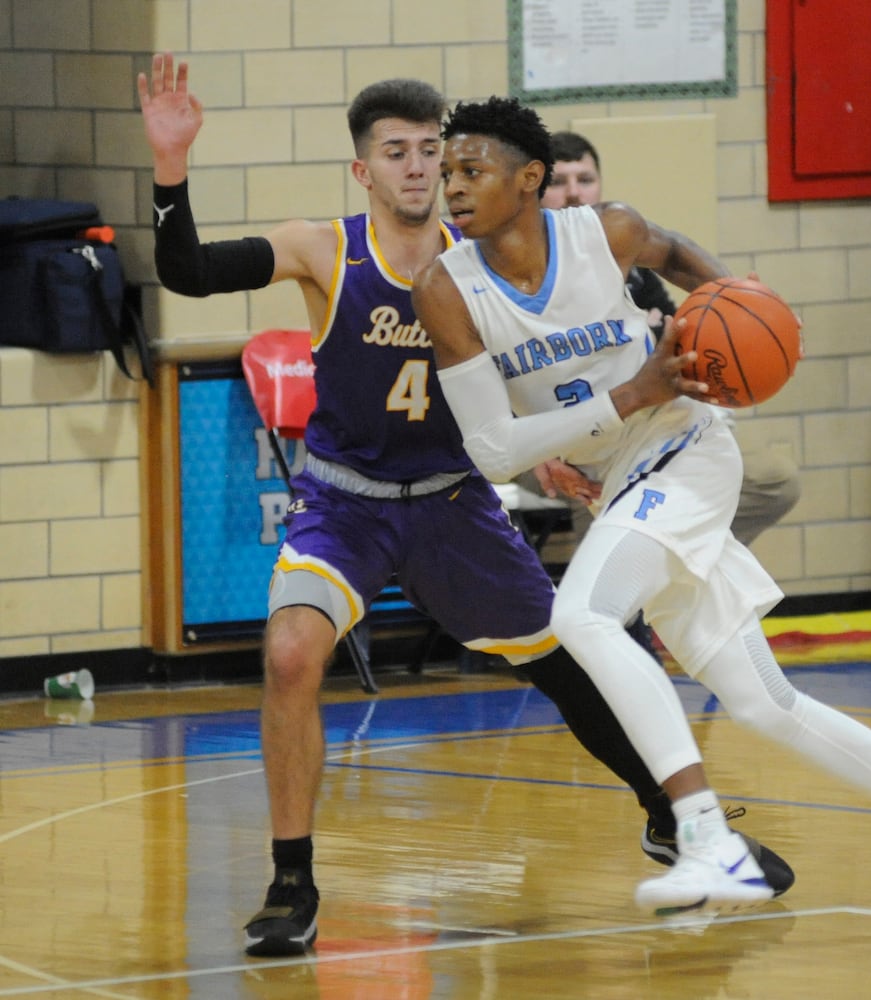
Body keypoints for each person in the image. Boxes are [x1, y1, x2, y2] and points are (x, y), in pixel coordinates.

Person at [137, 56, 793, 957]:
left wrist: (560, 451)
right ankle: (292, 880)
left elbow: (547, 364)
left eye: (429, 151)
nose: (418, 168)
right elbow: (188, 271)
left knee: (572, 659)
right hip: (346, 504)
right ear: (363, 171)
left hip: (454, 500)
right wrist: (171, 165)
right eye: (395, 153)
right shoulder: (322, 248)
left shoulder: (481, 258)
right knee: (290, 656)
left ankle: (672, 820)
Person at [412, 94, 871, 927]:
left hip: (689, 447)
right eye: (445, 171)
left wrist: (753, 306)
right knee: (760, 704)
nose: (449, 185)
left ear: (529, 180)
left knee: (583, 615)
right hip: (622, 472)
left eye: (469, 169)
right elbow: (494, 450)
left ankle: (703, 835)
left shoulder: (608, 232)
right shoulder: (444, 290)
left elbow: (685, 260)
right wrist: (628, 394)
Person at [539, 130, 800, 547]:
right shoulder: (528, 271)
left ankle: (676, 551)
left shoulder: (628, 258)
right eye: (558, 182)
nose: (573, 194)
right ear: (534, 189)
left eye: (584, 180)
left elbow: (680, 309)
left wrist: (758, 311)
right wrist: (541, 452)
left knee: (774, 481)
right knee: (609, 576)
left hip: (659, 422)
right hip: (578, 438)